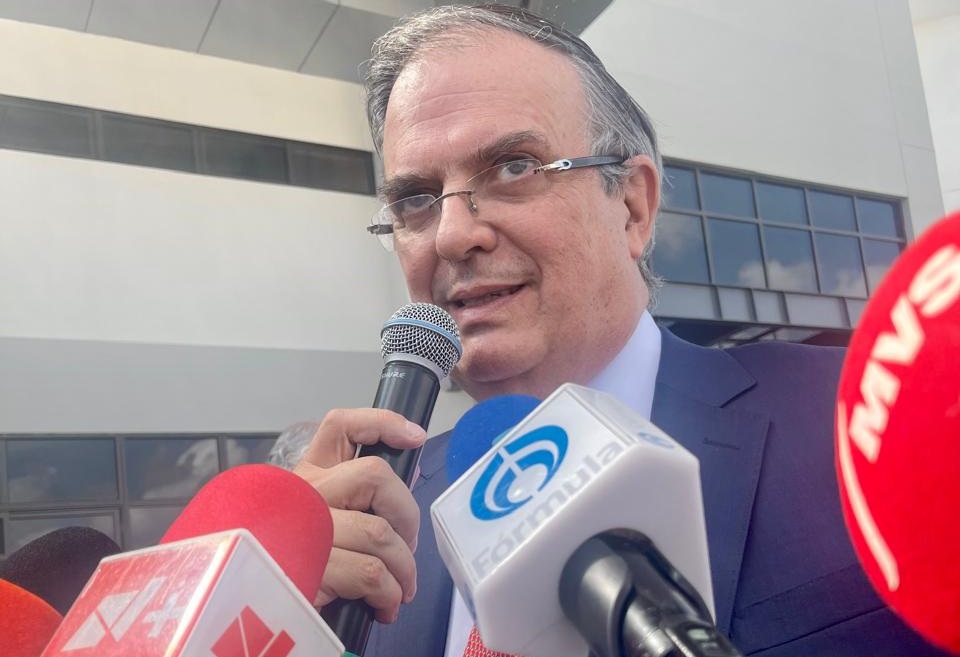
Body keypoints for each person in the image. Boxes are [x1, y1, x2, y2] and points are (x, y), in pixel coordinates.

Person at [293, 5, 948, 656]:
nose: (453, 235)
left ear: (633, 206)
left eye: (515, 167)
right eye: (415, 199)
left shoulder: (864, 419)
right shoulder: (380, 519)